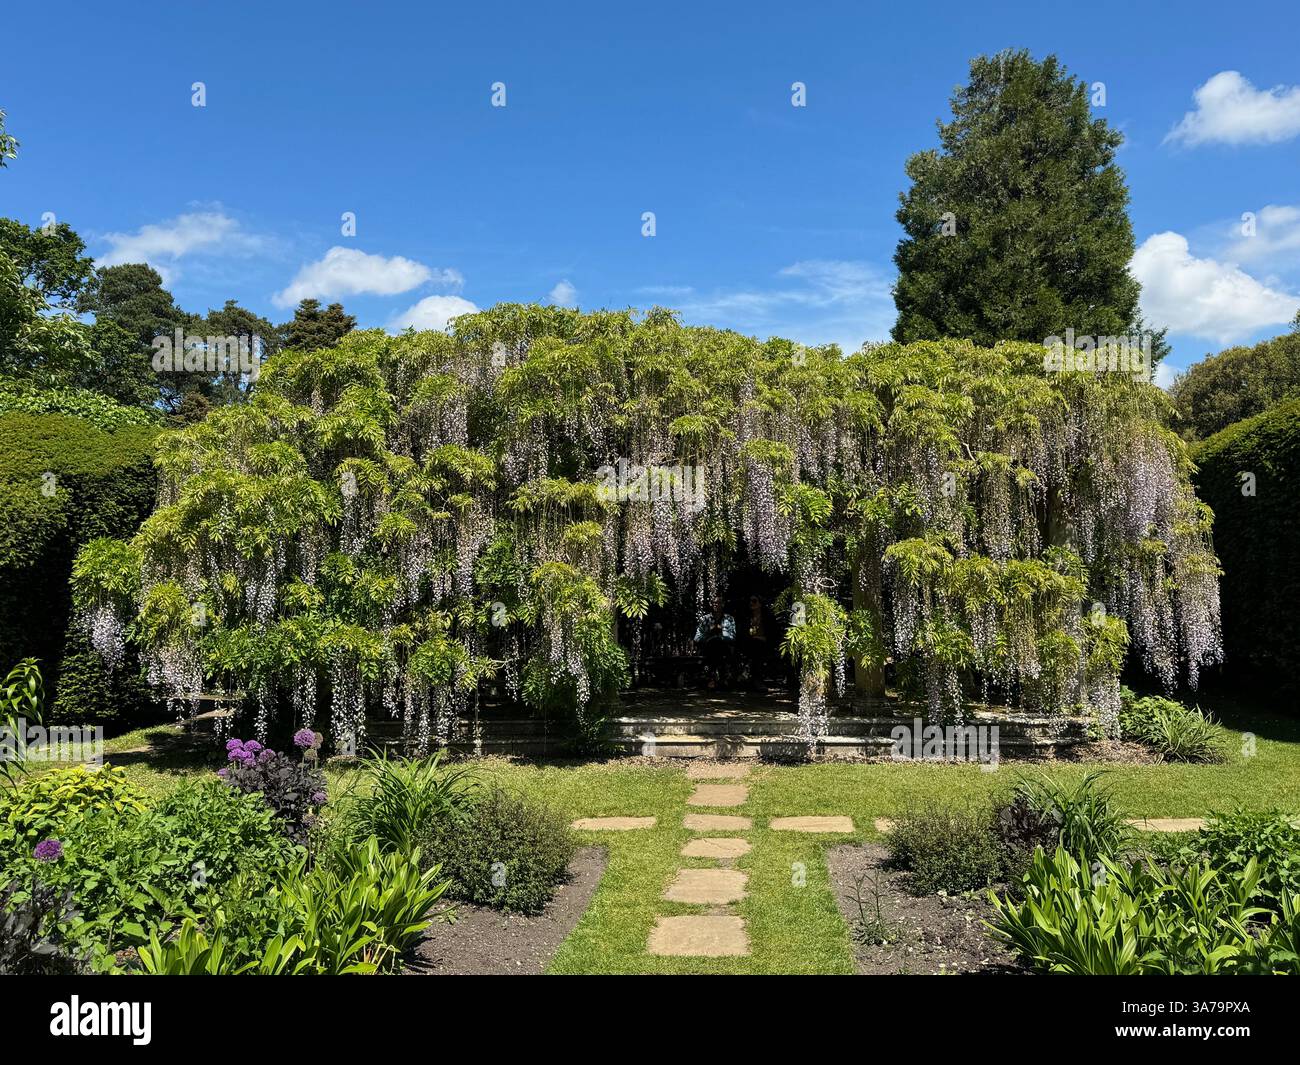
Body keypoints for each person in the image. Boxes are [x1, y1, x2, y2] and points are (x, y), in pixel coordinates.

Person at [693, 595, 735, 689]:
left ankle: (712, 678)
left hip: (724, 648)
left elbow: (732, 637)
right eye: (714, 603)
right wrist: (709, 632)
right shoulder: (705, 619)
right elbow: (697, 638)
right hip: (708, 648)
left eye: (718, 602)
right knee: (714, 643)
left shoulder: (729, 619)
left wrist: (722, 633)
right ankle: (721, 678)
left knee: (717, 643)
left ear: (723, 604)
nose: (716, 605)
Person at [742, 594, 773, 689]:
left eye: (754, 601)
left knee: (757, 647)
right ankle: (755, 679)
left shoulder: (767, 617)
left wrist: (763, 638)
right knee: (754, 646)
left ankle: (756, 679)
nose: (751, 603)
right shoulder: (747, 617)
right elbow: (742, 633)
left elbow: (773, 634)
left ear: (760, 604)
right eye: (750, 601)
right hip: (749, 643)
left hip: (763, 644)